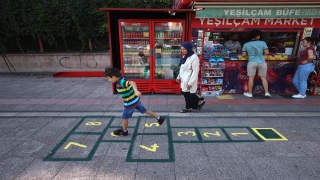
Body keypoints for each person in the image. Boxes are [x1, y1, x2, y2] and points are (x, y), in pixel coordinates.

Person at [105, 67, 166, 136]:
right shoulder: (122, 79)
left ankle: (124, 131)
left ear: (114, 77)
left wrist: (136, 91)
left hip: (129, 104)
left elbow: (132, 82)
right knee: (145, 110)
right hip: (136, 101)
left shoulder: (121, 82)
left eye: (109, 78)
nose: (109, 80)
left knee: (124, 117)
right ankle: (159, 118)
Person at [176, 42, 205, 113]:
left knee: (187, 93)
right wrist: (178, 76)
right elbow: (182, 68)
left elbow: (195, 71)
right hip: (184, 78)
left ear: (188, 48)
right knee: (186, 93)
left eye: (184, 49)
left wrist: (191, 82)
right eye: (182, 49)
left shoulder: (194, 57)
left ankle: (193, 104)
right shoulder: (185, 56)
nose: (183, 51)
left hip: (189, 78)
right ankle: (195, 103)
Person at [242, 30, 271, 98]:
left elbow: (243, 55)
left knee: (251, 78)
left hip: (252, 62)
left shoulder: (246, 44)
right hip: (262, 62)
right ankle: (267, 93)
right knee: (263, 77)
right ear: (257, 36)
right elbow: (267, 53)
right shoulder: (263, 43)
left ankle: (250, 93)